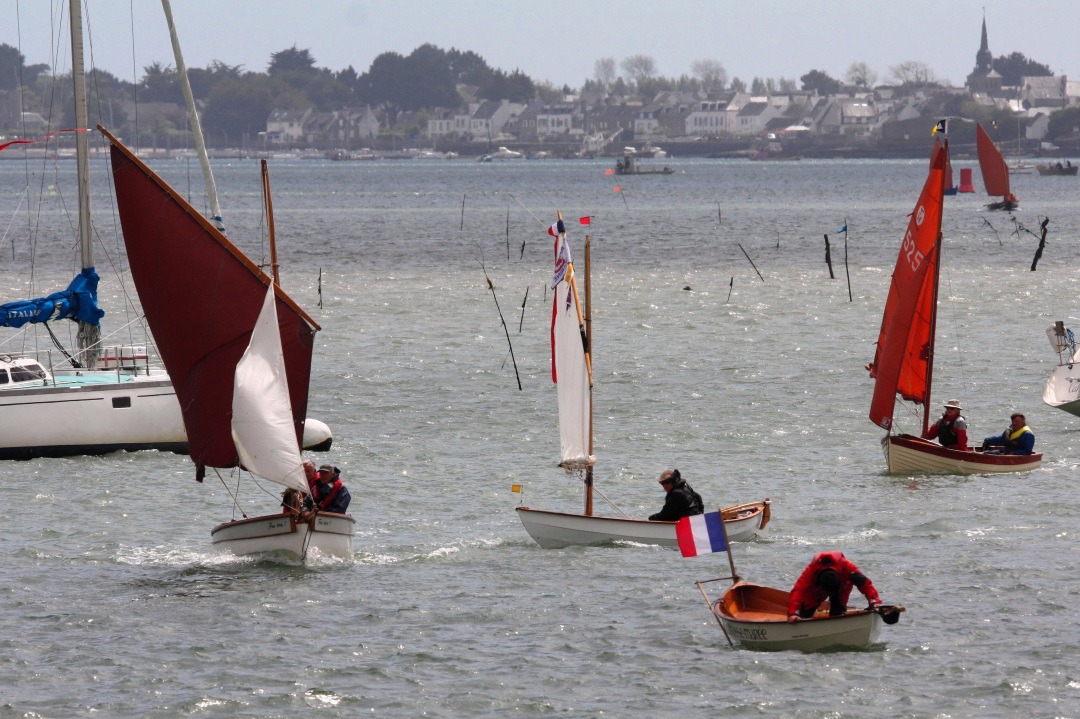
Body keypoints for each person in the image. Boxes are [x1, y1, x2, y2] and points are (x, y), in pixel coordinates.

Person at [787, 551, 882, 623]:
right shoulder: (811, 571)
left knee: (837, 612)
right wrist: (793, 614)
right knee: (805, 613)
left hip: (840, 588)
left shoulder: (848, 568)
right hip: (816, 590)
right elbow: (798, 590)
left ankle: (837, 617)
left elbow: (865, 584)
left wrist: (875, 603)